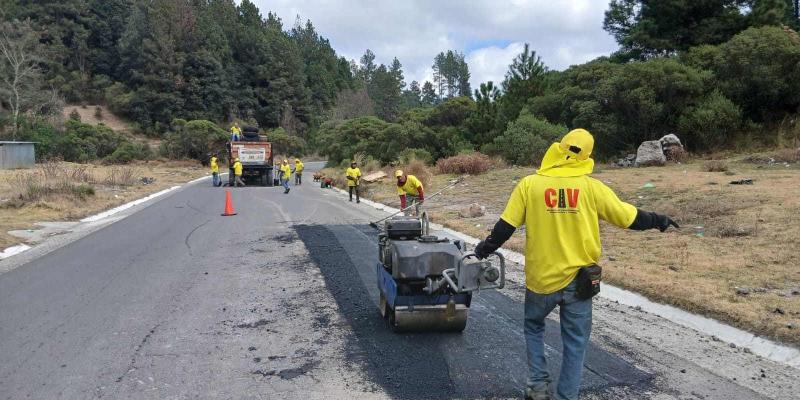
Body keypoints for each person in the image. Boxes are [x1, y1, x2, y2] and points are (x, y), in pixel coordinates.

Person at [473, 129, 678, 400]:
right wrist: (659, 220)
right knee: (576, 342)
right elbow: (629, 217)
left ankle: (537, 386)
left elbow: (505, 227)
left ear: (559, 148)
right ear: (587, 156)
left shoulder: (529, 185)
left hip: (541, 280)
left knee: (533, 326)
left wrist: (484, 248)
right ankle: (566, 396)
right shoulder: (591, 188)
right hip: (580, 282)